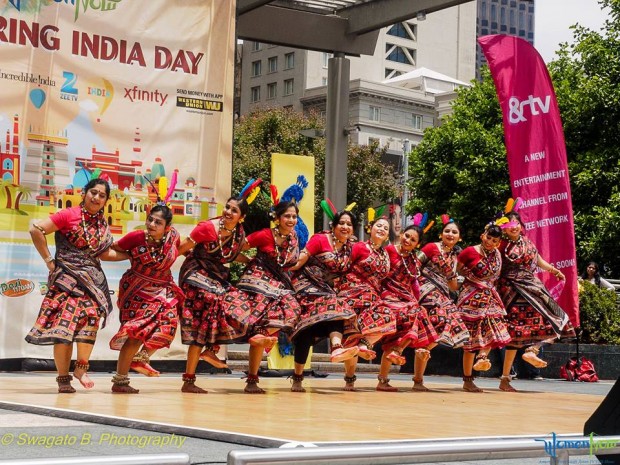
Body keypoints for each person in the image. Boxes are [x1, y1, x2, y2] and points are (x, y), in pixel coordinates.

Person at [26, 177, 127, 393]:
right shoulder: (69, 214)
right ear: (84, 193)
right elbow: (36, 230)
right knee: (64, 328)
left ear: (106, 200)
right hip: (66, 282)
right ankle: (63, 378)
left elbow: (103, 253)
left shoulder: (101, 224)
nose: (96, 197)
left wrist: (130, 256)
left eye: (102, 195)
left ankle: (81, 369)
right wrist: (49, 262)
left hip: (92, 283)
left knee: (90, 320)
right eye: (93, 192)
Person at [219, 197, 302, 394]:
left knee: (292, 310)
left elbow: (291, 263)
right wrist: (245, 259)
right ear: (277, 218)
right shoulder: (264, 235)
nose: (291, 220)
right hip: (257, 281)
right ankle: (251, 380)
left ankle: (259, 340)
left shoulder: (294, 238)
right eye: (287, 216)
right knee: (255, 320)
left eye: (294, 217)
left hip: (279, 284)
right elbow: (236, 248)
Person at [176, 191, 254, 394]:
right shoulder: (207, 227)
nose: (228, 212)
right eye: (227, 207)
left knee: (236, 303)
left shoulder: (239, 234)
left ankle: (201, 363)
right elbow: (181, 248)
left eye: (234, 210)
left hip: (216, 277)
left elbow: (232, 255)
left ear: (241, 217)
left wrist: (251, 261)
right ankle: (209, 353)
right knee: (215, 299)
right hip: (195, 273)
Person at [497, 210, 576, 392]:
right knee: (514, 336)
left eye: (516, 223)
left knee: (559, 320)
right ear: (504, 228)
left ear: (521, 225)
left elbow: (537, 259)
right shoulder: (501, 245)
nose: (514, 227)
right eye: (509, 225)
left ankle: (532, 350)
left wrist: (553, 270)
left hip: (532, 287)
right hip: (512, 291)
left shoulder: (527, 242)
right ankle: (505, 379)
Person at [108, 204, 183, 394]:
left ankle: (141, 358)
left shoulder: (173, 237)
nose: (151, 224)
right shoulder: (136, 237)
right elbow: (114, 248)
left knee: (169, 323)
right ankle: (120, 381)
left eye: (158, 222)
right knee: (135, 334)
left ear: (167, 227)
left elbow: (180, 250)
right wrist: (131, 255)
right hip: (137, 289)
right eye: (150, 219)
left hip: (162, 289)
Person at [287, 206, 359, 392]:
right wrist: (280, 266)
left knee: (338, 315)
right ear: (333, 226)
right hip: (306, 286)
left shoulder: (350, 248)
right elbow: (300, 261)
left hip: (327, 291)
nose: (345, 227)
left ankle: (337, 349)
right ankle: (298, 378)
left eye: (349, 224)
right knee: (306, 332)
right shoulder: (320, 239)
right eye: (341, 223)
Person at [335, 214, 396, 391]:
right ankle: (349, 379)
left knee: (388, 318)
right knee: (351, 339)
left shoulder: (385, 255)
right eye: (379, 225)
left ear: (387, 236)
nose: (381, 229)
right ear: (370, 228)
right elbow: (343, 266)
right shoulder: (359, 247)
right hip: (352, 293)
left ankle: (365, 346)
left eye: (385, 228)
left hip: (373, 298)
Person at [377, 224, 438, 392]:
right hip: (389, 296)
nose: (408, 240)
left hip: (406, 299)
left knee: (420, 325)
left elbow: (413, 284)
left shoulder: (413, 260)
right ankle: (397, 355)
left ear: (417, 244)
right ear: (401, 234)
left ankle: (398, 361)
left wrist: (415, 301)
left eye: (413, 240)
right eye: (407, 236)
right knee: (415, 313)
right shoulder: (389, 250)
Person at [413, 217, 469, 391]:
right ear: (441, 234)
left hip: (443, 295)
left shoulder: (456, 258)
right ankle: (418, 377)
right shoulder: (431, 248)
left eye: (454, 232)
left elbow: (453, 286)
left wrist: (459, 280)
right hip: (426, 291)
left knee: (448, 326)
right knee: (443, 318)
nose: (450, 234)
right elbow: (414, 266)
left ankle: (418, 379)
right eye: (447, 231)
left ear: (459, 237)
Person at [457, 223, 511, 393]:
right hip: (471, 298)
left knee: (495, 328)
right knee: (471, 340)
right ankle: (467, 380)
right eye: (488, 237)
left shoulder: (497, 254)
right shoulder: (469, 252)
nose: (490, 242)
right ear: (483, 235)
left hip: (489, 297)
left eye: (494, 240)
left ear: (498, 243)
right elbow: (457, 270)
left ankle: (482, 357)